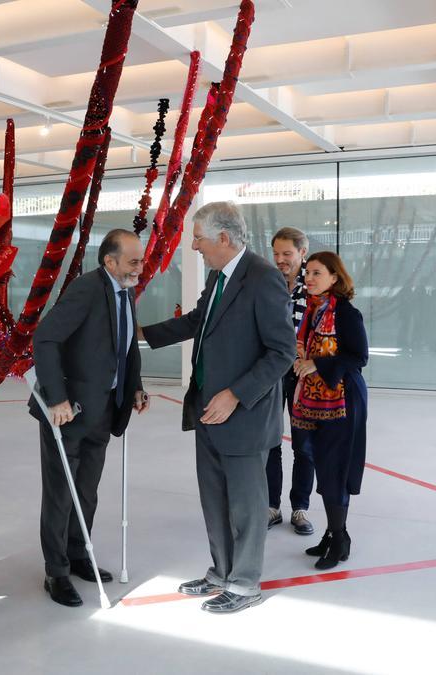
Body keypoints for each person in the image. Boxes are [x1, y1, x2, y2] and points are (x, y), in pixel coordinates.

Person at [140, 201, 295, 614]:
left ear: (223, 238)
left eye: (198, 238)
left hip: (241, 413)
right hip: (206, 409)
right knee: (214, 499)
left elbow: (282, 353)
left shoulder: (263, 279)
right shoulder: (218, 276)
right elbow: (197, 321)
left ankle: (245, 584)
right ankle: (222, 571)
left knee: (245, 504)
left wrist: (236, 394)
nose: (193, 246)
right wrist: (139, 333)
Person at [28, 228, 149, 607]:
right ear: (109, 262)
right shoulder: (87, 289)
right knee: (61, 493)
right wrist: (57, 399)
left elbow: (126, 348)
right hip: (69, 412)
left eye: (141, 259)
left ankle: (78, 553)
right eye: (133, 261)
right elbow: (45, 338)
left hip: (104, 409)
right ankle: (56, 571)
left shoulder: (125, 290)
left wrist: (136, 387)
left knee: (86, 491)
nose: (139, 267)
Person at [290, 251, 368, 571]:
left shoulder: (347, 313)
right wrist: (301, 359)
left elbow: (359, 357)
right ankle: (333, 533)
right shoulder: (313, 311)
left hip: (342, 401)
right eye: (307, 272)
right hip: (314, 401)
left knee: (334, 469)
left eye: (317, 273)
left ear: (335, 278)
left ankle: (340, 538)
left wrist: (316, 363)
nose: (309, 278)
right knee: (323, 465)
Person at [265, 226, 315, 535]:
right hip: (273, 372)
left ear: (302, 253)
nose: (281, 260)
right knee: (271, 441)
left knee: (304, 445)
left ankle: (300, 508)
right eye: (276, 254)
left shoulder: (315, 285)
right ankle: (271, 507)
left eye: (287, 254)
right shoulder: (268, 283)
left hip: (302, 375)